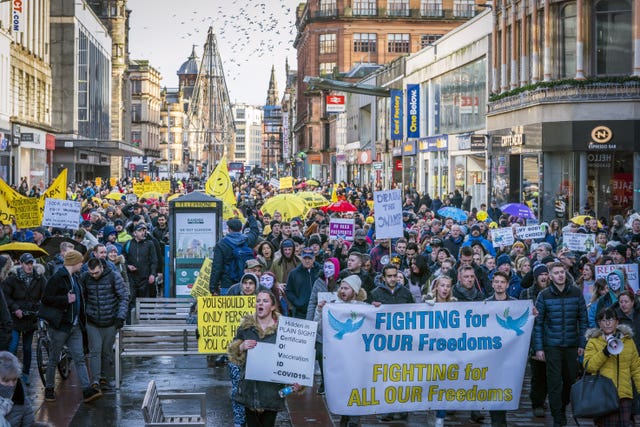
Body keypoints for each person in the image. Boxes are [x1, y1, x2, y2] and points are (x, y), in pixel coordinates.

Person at [227, 290, 302, 427]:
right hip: (250, 389)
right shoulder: (245, 328)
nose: (260, 304)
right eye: (258, 301)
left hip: (272, 392)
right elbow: (233, 354)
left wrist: (295, 384)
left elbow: (292, 358)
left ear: (273, 306)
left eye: (265, 301)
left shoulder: (285, 330)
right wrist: (241, 347)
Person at [41, 250, 101, 403]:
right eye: (80, 262)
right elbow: (46, 299)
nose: (82, 264)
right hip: (60, 326)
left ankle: (87, 390)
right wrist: (65, 299)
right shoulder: (57, 277)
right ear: (74, 262)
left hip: (74, 326)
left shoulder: (75, 277)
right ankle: (49, 389)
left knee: (80, 358)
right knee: (54, 358)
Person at [533, 262, 588, 427]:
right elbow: (539, 323)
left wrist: (582, 343)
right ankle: (558, 417)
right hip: (552, 345)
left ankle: (563, 406)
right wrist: (539, 347)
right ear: (550, 276)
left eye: (562, 272)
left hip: (571, 344)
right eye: (556, 273)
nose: (560, 275)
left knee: (570, 380)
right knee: (554, 382)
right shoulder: (544, 295)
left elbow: (583, 320)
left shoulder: (576, 293)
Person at [314, 274, 367, 427]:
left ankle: (354, 421)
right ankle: (345, 418)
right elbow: (318, 328)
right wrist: (319, 311)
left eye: (346, 288)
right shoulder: (333, 306)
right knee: (343, 389)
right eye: (341, 288)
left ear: (355, 291)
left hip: (357, 358)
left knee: (356, 387)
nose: (342, 291)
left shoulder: (364, 308)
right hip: (338, 357)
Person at [584, 307, 640, 426]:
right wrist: (604, 352)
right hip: (603, 395)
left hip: (624, 394)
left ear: (617, 322)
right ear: (599, 323)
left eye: (610, 319)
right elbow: (589, 366)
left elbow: (636, 368)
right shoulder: (593, 342)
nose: (607, 323)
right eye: (603, 320)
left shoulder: (628, 341)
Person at [79, 257, 129, 392]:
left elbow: (123, 297)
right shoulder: (85, 278)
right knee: (95, 350)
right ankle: (95, 380)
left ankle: (105, 378)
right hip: (92, 319)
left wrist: (120, 316)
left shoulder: (114, 276)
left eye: (96, 273)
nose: (93, 276)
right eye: (91, 273)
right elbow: (81, 297)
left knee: (106, 351)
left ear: (101, 267)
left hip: (110, 319)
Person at [2, 253, 46, 385]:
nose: (29, 266)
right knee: (13, 346)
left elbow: (45, 294)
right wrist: (15, 308)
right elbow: (5, 297)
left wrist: (39, 306)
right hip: (16, 319)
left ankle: (25, 374)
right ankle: (10, 374)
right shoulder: (12, 278)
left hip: (30, 318)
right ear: (21, 264)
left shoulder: (39, 278)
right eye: (27, 263)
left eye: (31, 263)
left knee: (27, 348)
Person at [306, 257, 340, 395]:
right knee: (320, 354)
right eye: (325, 267)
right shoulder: (318, 282)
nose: (327, 270)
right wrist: (310, 323)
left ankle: (335, 381)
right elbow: (312, 302)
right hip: (321, 324)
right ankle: (325, 382)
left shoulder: (341, 283)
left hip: (337, 326)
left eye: (330, 267)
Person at [209, 216, 260, 295]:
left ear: (229, 229)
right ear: (240, 229)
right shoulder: (247, 240)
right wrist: (251, 217)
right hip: (246, 283)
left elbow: (217, 267)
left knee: (228, 307)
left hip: (227, 283)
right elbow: (255, 231)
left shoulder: (221, 244)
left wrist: (213, 287)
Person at [123, 223, 158, 320]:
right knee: (132, 301)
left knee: (145, 302)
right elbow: (122, 259)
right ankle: (131, 324)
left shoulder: (150, 244)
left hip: (145, 278)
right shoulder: (128, 244)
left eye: (144, 230)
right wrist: (128, 266)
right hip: (132, 278)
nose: (143, 232)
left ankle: (146, 324)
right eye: (141, 230)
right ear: (134, 233)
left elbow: (154, 261)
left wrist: (152, 274)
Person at [0, 351, 34, 426]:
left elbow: (29, 424)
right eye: (6, 380)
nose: (11, 385)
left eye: (14, 379)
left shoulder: (23, 401)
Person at [285, 248, 320, 319]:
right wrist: (298, 302)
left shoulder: (320, 271)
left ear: (314, 258)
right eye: (305, 258)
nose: (307, 261)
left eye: (309, 258)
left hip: (317, 310)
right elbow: (288, 290)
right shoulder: (294, 273)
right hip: (300, 312)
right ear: (301, 258)